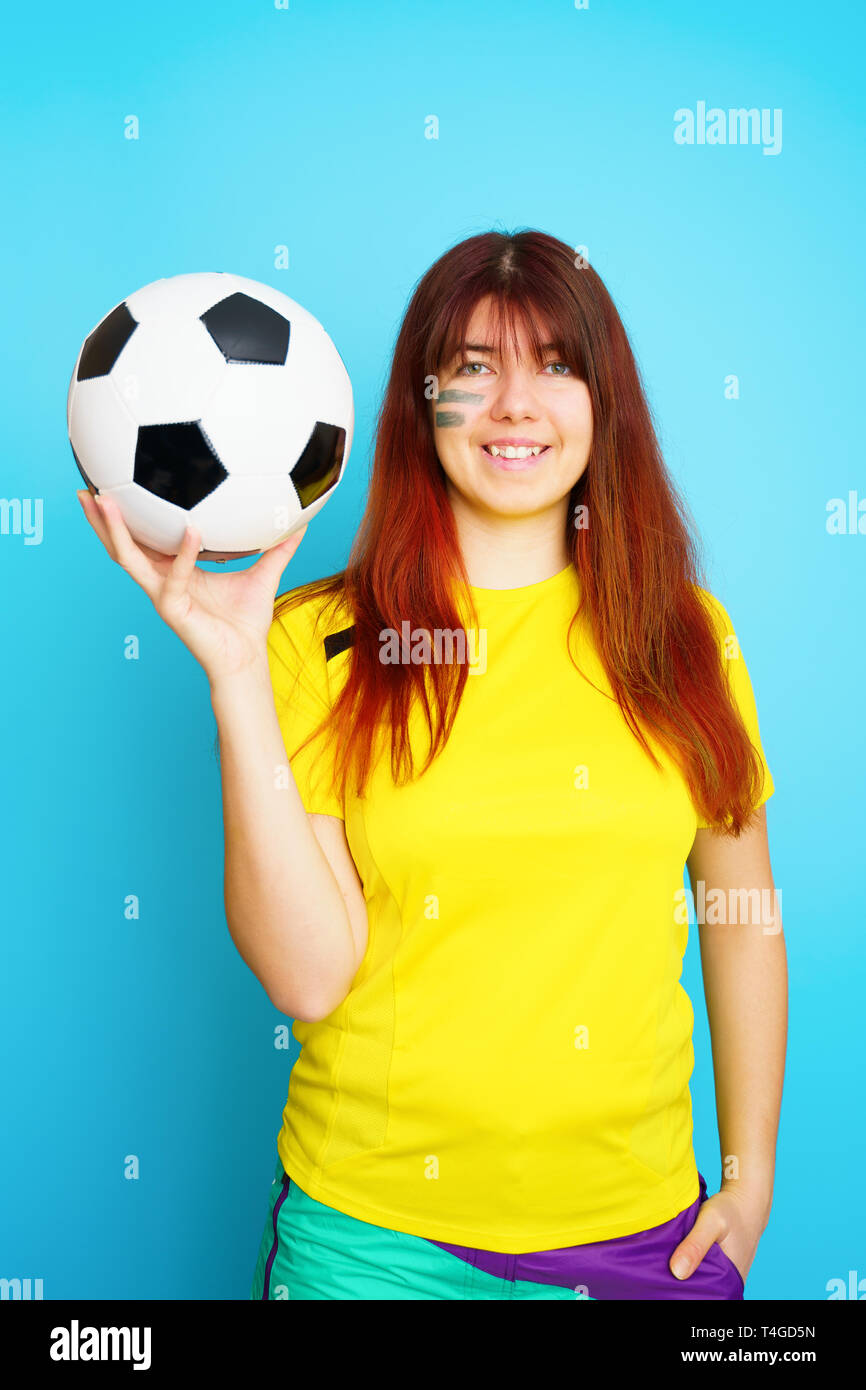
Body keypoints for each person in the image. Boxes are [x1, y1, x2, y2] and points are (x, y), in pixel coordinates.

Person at [78, 229, 786, 1301]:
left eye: (554, 365)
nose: (513, 405)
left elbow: (740, 913)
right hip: (375, 1243)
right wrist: (233, 672)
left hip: (646, 1242)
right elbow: (307, 976)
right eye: (471, 369)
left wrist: (748, 1179)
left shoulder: (685, 637)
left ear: (605, 403)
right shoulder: (311, 641)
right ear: (422, 406)